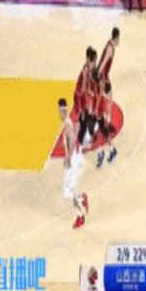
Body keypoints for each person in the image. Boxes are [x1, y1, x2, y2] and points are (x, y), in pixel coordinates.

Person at [58, 98, 88, 230]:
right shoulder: (67, 122)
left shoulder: (67, 124)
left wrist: (68, 157)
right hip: (75, 157)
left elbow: (72, 140)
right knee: (70, 190)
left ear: (63, 110)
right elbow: (74, 135)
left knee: (68, 191)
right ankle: (81, 200)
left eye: (61, 111)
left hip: (73, 159)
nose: (60, 114)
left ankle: (81, 216)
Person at [74, 47, 98, 147]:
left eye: (95, 61)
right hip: (79, 98)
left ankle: (81, 137)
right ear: (88, 59)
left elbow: (86, 86)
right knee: (83, 120)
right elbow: (82, 90)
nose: (95, 64)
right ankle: (78, 142)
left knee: (87, 118)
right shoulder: (86, 70)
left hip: (82, 97)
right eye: (94, 61)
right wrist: (89, 94)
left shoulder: (88, 68)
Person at [95, 81, 117, 168]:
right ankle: (111, 150)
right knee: (105, 134)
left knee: (97, 135)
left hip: (100, 117)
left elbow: (105, 110)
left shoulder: (104, 99)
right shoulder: (105, 95)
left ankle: (102, 152)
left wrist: (106, 121)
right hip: (101, 116)